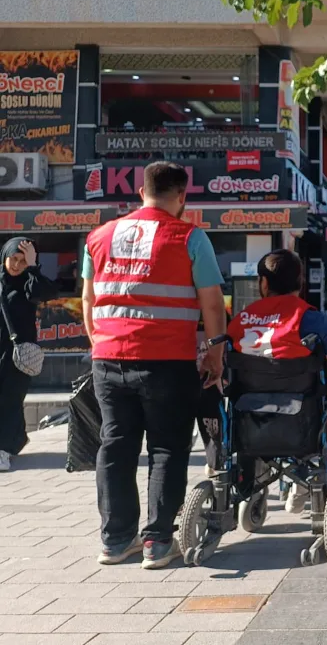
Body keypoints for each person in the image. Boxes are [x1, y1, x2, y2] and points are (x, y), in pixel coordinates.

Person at [82, 161, 226, 569]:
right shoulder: (189, 237)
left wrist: (100, 345)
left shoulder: (99, 236)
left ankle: (115, 540)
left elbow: (89, 301)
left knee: (115, 445)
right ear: (182, 197)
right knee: (166, 447)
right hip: (167, 360)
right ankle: (158, 543)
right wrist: (214, 350)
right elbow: (211, 302)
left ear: (141, 191)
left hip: (109, 358)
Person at [228, 250, 327, 512]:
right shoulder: (314, 321)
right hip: (304, 426)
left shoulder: (239, 322)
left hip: (247, 424)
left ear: (263, 283)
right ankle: (313, 480)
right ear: (301, 282)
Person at [0, 238, 57, 471]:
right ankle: (13, 441)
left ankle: (3, 450)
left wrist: (33, 266)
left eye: (22, 261)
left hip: (17, 355)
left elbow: (46, 292)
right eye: (13, 259)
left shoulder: (28, 283)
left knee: (10, 401)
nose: (16, 265)